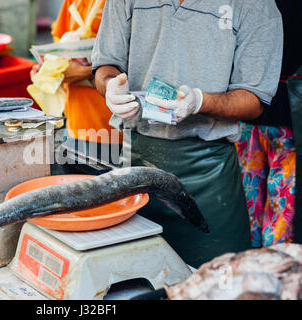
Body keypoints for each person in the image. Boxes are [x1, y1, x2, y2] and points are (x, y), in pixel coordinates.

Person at [92, 0, 283, 267]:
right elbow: (106, 65)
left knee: (216, 283)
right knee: (132, 279)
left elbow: (253, 100)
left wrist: (200, 101)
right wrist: (110, 85)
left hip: (208, 174)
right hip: (135, 166)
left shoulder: (256, 6)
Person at [235, 0, 301, 247]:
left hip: (245, 111)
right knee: (282, 207)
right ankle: (274, 270)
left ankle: (248, 266)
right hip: (288, 120)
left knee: (246, 200)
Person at [31, 0, 123, 167]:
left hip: (117, 127)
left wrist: (86, 71)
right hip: (76, 124)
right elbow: (59, 48)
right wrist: (47, 70)